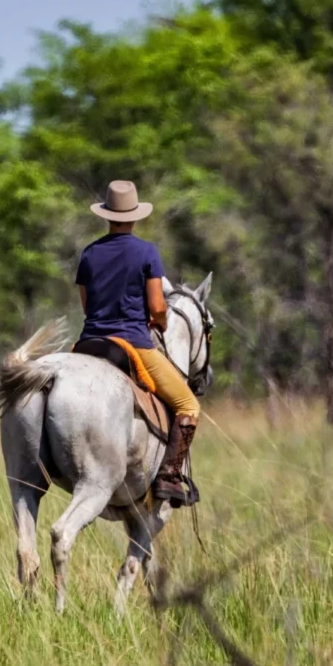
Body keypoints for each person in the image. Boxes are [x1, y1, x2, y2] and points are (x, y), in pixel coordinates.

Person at [73, 179, 199, 506]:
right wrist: (161, 321)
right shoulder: (146, 252)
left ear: (107, 215)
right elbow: (157, 307)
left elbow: (87, 307)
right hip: (133, 343)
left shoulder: (89, 253)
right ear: (135, 216)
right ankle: (170, 476)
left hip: (90, 342)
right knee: (188, 406)